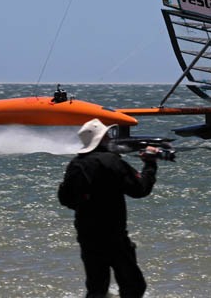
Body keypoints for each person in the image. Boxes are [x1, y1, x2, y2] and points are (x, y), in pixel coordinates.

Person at [58, 118, 158, 298]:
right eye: (107, 135)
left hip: (87, 233)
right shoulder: (112, 161)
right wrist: (150, 165)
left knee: (97, 288)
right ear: (102, 138)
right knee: (133, 286)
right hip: (113, 234)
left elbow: (65, 199)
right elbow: (139, 190)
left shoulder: (76, 164)